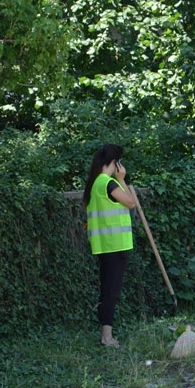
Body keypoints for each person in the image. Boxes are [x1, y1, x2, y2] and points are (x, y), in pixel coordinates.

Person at [82, 144, 136, 348]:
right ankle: (107, 337)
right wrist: (121, 179)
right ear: (115, 162)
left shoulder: (95, 183)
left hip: (103, 245)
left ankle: (105, 334)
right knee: (111, 291)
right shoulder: (109, 183)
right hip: (115, 245)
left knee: (107, 290)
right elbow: (130, 202)